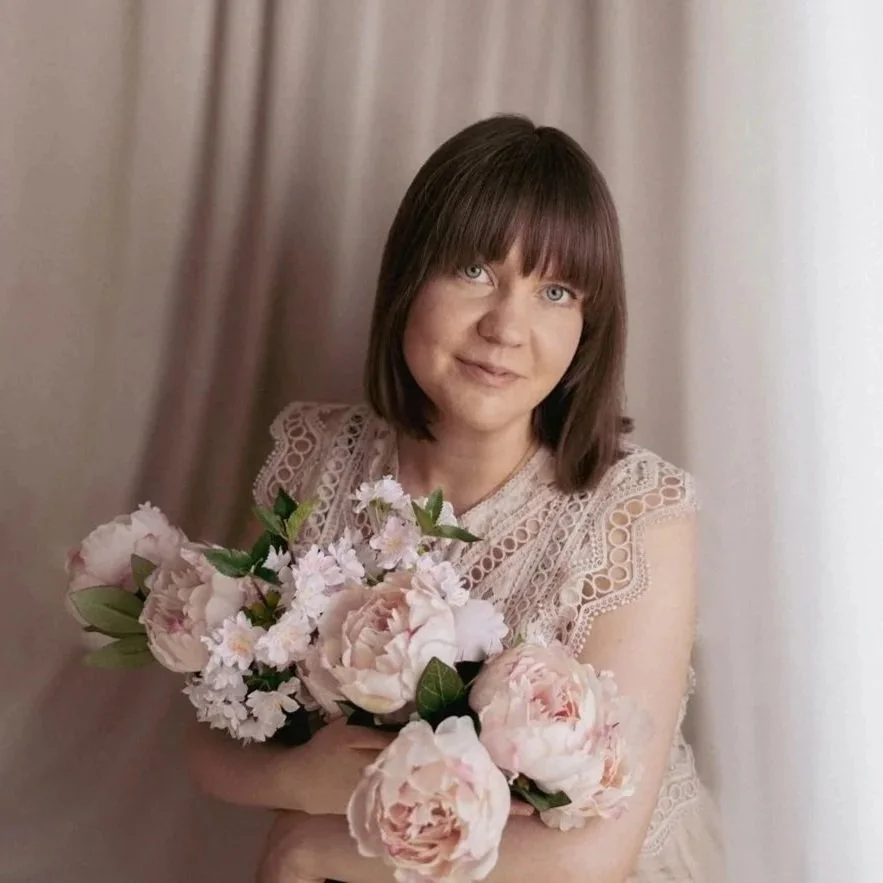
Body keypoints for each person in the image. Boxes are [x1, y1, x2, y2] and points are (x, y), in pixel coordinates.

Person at [187, 114, 724, 882]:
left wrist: (307, 845)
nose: (506, 326)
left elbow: (591, 860)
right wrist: (297, 780)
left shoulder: (638, 517)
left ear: (588, 326)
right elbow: (208, 730)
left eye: (555, 290)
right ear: (409, 277)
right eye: (474, 271)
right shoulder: (312, 460)